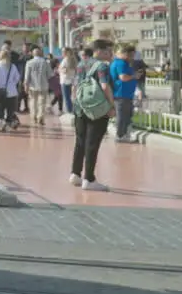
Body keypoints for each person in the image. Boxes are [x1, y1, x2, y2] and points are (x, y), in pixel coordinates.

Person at [70, 39, 117, 191]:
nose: (111, 54)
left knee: (80, 141)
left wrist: (76, 103)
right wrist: (111, 106)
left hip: (80, 107)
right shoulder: (102, 66)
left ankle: (75, 174)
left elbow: (75, 85)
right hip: (96, 110)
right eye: (108, 51)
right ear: (99, 51)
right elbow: (104, 86)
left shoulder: (81, 64)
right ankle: (89, 179)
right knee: (92, 144)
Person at [108, 44, 139, 142]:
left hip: (123, 93)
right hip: (122, 93)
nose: (132, 57)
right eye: (130, 54)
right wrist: (134, 76)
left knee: (125, 114)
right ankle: (121, 135)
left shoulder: (118, 63)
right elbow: (123, 77)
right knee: (122, 115)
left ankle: (123, 134)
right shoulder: (121, 63)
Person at [0, 51, 22, 131]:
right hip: (12, 92)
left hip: (1, 91)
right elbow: (17, 78)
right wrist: (12, 84)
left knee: (1, 109)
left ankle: (3, 124)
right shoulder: (12, 66)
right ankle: (9, 123)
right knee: (10, 110)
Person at [23, 47, 53, 126]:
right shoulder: (45, 62)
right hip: (43, 85)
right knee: (42, 102)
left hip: (32, 85)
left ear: (33, 54)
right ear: (40, 53)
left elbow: (27, 76)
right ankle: (41, 117)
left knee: (33, 101)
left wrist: (26, 85)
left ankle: (34, 116)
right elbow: (50, 75)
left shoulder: (29, 62)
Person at [57, 48, 78, 114]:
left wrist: (59, 69)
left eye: (63, 51)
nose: (62, 53)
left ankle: (70, 111)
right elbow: (74, 70)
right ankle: (73, 110)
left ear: (67, 52)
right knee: (71, 97)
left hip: (65, 80)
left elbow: (66, 70)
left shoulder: (66, 60)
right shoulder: (73, 59)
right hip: (72, 80)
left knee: (67, 97)